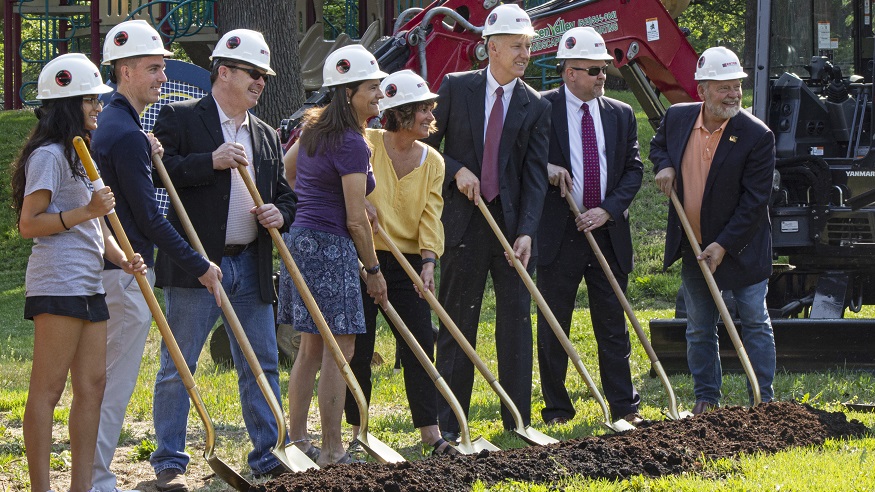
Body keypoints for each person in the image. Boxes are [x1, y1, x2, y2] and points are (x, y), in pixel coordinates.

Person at [148, 29, 295, 490]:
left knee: (263, 362)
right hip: (197, 266)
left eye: (265, 76)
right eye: (254, 73)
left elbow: (287, 198)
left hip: (250, 265)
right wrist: (207, 161)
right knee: (180, 365)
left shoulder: (267, 135)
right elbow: (157, 171)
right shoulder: (180, 117)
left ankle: (267, 455)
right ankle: (169, 461)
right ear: (224, 71)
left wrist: (280, 212)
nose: (261, 83)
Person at [89, 20, 223, 492]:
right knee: (111, 384)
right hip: (123, 272)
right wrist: (200, 266)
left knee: (99, 381)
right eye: (154, 68)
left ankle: (93, 475)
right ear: (125, 70)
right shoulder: (124, 134)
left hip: (109, 267)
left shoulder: (116, 124)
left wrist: (146, 147)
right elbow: (148, 220)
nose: (163, 79)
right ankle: (98, 478)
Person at [13, 53, 145, 492]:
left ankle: (81, 488)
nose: (98, 108)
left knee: (93, 385)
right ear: (69, 103)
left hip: (90, 281)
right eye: (90, 100)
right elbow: (29, 223)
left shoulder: (80, 153)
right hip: (57, 282)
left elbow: (94, 226)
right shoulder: (49, 155)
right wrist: (85, 210)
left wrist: (121, 258)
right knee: (48, 390)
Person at [423, 3, 551, 439]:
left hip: (512, 230)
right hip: (463, 223)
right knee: (458, 320)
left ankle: (517, 420)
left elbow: (535, 177)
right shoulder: (456, 89)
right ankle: (448, 421)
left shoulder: (536, 106)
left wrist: (529, 231)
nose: (525, 54)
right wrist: (456, 168)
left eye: (528, 46)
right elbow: (428, 148)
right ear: (491, 47)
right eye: (517, 46)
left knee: (516, 322)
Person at [337, 70, 457, 456]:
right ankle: (358, 433)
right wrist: (360, 203)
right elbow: (343, 186)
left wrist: (428, 261)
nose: (429, 116)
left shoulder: (433, 161)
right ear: (400, 112)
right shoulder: (365, 144)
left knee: (420, 342)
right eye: (422, 109)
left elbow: (430, 215)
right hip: (364, 256)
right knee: (359, 345)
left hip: (407, 263)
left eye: (429, 108)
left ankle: (430, 433)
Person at [278, 44, 388, 466]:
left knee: (310, 346)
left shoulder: (312, 130)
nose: (379, 95)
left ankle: (298, 441)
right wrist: (374, 270)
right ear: (347, 93)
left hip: (301, 240)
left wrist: (319, 198)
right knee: (339, 350)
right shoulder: (352, 143)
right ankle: (331, 449)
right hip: (329, 247)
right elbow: (357, 222)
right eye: (372, 89)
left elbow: (290, 172)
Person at [651, 46, 776, 414]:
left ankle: (763, 401)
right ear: (702, 90)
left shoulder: (756, 135)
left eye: (737, 85)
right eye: (724, 87)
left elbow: (755, 202)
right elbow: (659, 147)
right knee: (700, 326)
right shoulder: (677, 118)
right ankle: (707, 399)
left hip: (742, 246)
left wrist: (723, 244)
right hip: (694, 246)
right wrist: (665, 166)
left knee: (753, 320)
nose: (734, 94)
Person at [536, 27, 644, 427]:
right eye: (595, 71)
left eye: (604, 70)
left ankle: (624, 407)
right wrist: (545, 167)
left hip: (607, 233)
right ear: (570, 73)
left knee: (613, 325)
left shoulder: (620, 113)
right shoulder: (540, 109)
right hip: (557, 234)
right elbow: (520, 159)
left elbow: (634, 170)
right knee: (554, 326)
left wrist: (607, 210)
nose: (603, 77)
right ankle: (558, 411)